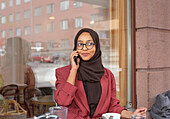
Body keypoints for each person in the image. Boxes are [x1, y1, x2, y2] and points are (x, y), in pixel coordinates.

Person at [54, 28, 147, 119]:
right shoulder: (63, 73)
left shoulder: (107, 75)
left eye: (89, 44)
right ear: (75, 48)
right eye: (80, 44)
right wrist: (73, 70)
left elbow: (112, 106)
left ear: (97, 46)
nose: (84, 48)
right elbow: (63, 101)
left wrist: (132, 115)